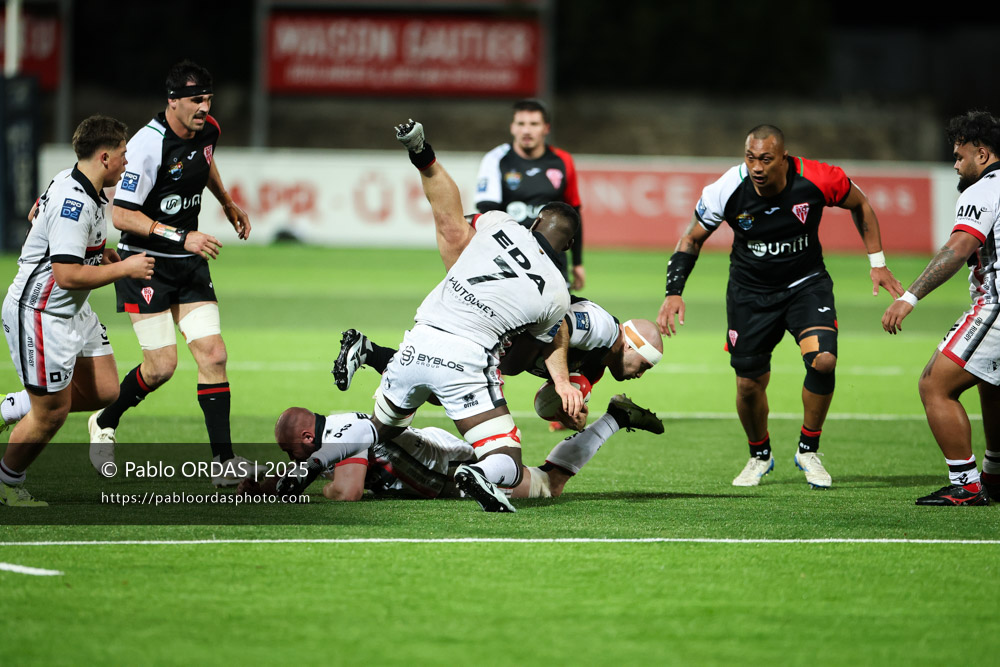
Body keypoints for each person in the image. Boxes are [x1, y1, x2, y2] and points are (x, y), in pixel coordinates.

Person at [277, 119, 581, 513]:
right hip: (468, 357)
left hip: (418, 339)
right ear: (569, 246)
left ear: (536, 221)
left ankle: (314, 463)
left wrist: (426, 163)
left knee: (378, 428)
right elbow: (521, 358)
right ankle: (483, 474)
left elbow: (453, 223)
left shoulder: (499, 223)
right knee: (505, 454)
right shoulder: (557, 295)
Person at [657, 124, 904, 489]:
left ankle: (808, 449)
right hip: (749, 294)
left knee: (824, 359)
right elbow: (691, 238)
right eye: (751, 157)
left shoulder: (820, 178)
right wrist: (673, 291)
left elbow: (860, 204)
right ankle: (759, 455)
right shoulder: (726, 189)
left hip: (806, 285)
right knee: (748, 384)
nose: (757, 167)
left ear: (783, 159)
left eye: (766, 159)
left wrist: (878, 262)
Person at [85, 60, 255, 488]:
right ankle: (105, 420)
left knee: (214, 355)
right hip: (144, 265)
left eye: (208, 98)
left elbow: (205, 162)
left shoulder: (208, 129)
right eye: (197, 100)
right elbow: (121, 214)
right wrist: (181, 237)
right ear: (173, 101)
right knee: (161, 367)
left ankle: (223, 463)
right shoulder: (146, 146)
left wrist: (227, 202)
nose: (204, 107)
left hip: (187, 262)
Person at [0, 115, 156, 506]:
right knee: (52, 414)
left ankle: (16, 405)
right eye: (122, 155)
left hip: (72, 311)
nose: (126, 162)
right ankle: (7, 481)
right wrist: (126, 268)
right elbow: (67, 275)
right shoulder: (75, 202)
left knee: (106, 390)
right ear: (104, 157)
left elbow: (60, 239)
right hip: (41, 313)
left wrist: (101, 254)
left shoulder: (85, 185)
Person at [882, 110, 1000, 506]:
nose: (955, 164)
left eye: (960, 156)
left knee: (935, 384)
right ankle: (995, 476)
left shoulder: (982, 191)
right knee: (990, 381)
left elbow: (958, 247)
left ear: (981, 154)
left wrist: (908, 296)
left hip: (995, 307)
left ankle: (966, 486)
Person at [247, 394, 663, 502]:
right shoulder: (332, 435)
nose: (291, 460)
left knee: (547, 487)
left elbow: (346, 491)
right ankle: (616, 418)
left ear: (306, 438)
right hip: (436, 457)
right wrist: (255, 483)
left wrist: (319, 487)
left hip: (455, 468)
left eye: (290, 452)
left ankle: (615, 418)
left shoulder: (341, 432)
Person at [332, 301, 663, 432]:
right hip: (492, 328)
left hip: (499, 348)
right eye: (644, 365)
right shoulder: (605, 328)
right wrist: (563, 384)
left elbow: (546, 402)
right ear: (631, 345)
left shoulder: (595, 370)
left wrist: (568, 415)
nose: (640, 374)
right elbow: (560, 322)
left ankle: (370, 351)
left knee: (436, 392)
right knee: (439, 385)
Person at [474, 99, 585, 290]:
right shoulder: (495, 159)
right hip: (508, 257)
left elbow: (573, 213)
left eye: (534, 124)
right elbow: (488, 213)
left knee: (557, 318)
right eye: (521, 124)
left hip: (553, 258)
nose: (526, 130)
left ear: (546, 128)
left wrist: (577, 263)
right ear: (512, 128)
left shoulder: (563, 161)